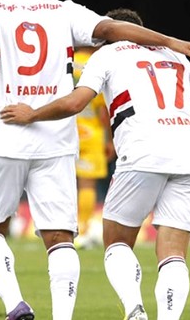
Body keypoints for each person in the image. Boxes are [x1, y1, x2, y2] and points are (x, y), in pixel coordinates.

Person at [0, 0, 190, 319]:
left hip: (7, 132)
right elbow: (112, 30)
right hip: (58, 142)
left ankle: (15, 304)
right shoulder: (66, 10)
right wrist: (171, 41)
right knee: (60, 238)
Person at [0, 8, 190, 320]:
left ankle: (135, 310)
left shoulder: (106, 55)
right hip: (188, 155)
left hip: (143, 150)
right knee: (173, 255)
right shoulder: (174, 56)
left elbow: (76, 102)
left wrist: (32, 114)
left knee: (117, 242)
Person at [72, 46, 115, 249]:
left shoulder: (66, 60)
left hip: (63, 129)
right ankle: (82, 229)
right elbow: (102, 109)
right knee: (86, 184)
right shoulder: (96, 65)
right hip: (90, 133)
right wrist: (110, 139)